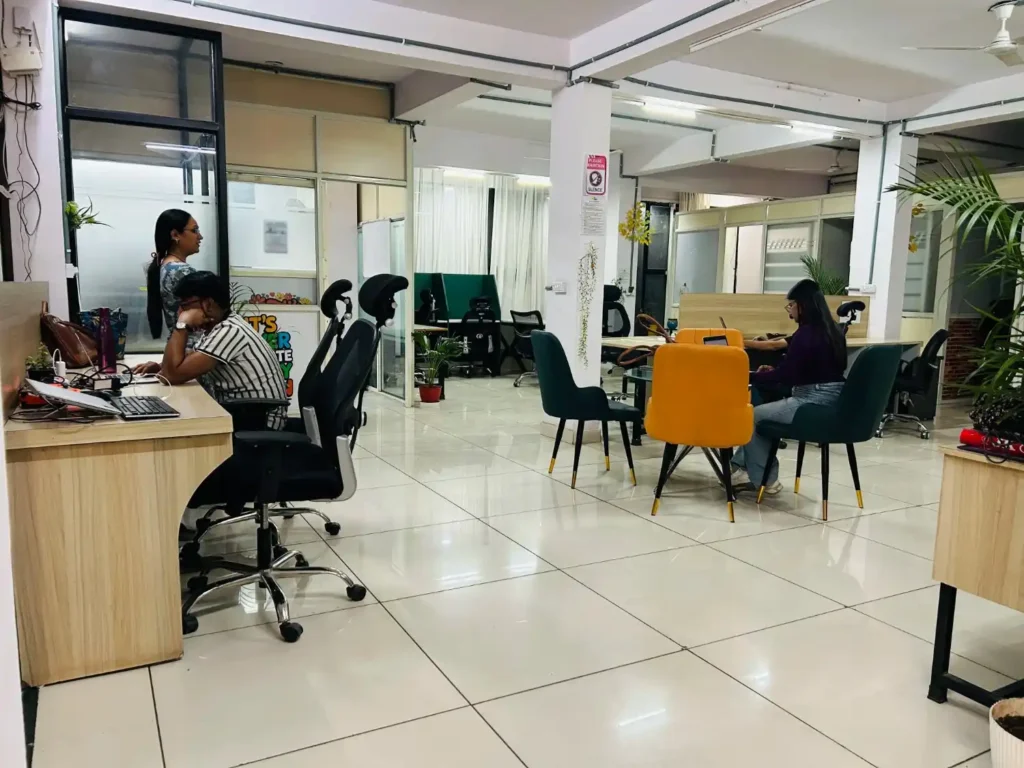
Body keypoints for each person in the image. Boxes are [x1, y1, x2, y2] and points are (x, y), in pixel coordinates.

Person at [731, 279, 847, 494]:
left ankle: (765, 480)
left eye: (791, 305)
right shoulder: (833, 330)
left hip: (811, 400)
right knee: (765, 410)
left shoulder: (806, 333)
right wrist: (766, 374)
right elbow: (800, 369)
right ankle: (743, 467)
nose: (789, 311)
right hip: (835, 398)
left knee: (751, 416)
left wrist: (751, 377)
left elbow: (786, 376)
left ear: (802, 305)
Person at [157, 270, 288, 430]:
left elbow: (172, 375)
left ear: (208, 304)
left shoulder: (230, 331)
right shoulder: (217, 329)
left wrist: (182, 324)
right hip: (242, 414)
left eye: (185, 306)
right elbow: (178, 368)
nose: (181, 313)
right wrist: (159, 367)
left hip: (259, 423)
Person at [134, 210, 202, 374]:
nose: (200, 237)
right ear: (175, 235)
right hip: (194, 357)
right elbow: (202, 323)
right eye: (195, 230)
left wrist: (164, 365)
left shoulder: (163, 267)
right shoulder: (182, 271)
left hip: (178, 353)